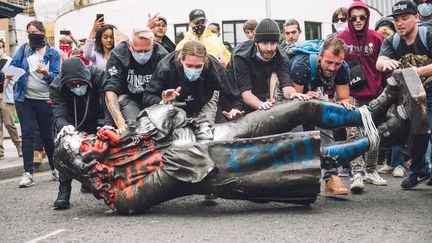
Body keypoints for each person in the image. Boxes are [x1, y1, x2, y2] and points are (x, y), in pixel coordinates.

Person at [376, 0, 432, 189]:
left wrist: (416, 72)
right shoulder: (393, 40)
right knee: (413, 133)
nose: (399, 23)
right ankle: (419, 171)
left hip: (430, 93)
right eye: (397, 19)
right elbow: (380, 61)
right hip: (410, 97)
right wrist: (384, 63)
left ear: (416, 18)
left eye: (405, 18)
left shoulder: (428, 34)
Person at [289, 37, 352, 195]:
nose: (333, 67)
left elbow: (344, 97)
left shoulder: (342, 68)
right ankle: (299, 179)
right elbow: (296, 101)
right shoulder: (301, 65)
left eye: (337, 63)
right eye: (329, 62)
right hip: (291, 93)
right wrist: (306, 97)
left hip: (316, 91)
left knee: (326, 126)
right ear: (321, 55)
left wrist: (342, 104)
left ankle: (331, 178)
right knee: (297, 132)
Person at [336, 0, 387, 193]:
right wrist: (335, 94)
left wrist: (385, 90)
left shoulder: (377, 37)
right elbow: (335, 67)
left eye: (362, 17)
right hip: (351, 94)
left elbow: (385, 67)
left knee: (373, 132)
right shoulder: (342, 38)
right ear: (349, 18)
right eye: (354, 17)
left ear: (367, 18)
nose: (358, 21)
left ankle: (371, 170)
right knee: (353, 133)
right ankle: (357, 173)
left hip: (374, 93)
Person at [50, 57, 108, 209]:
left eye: (80, 83)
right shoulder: (57, 86)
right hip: (71, 122)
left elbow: (110, 102)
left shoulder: (98, 76)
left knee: (102, 150)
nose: (77, 86)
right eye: (72, 84)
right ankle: (64, 192)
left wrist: (108, 124)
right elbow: (59, 114)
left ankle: (95, 184)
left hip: (97, 118)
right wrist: (64, 126)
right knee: (64, 149)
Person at [9, 20, 61, 187]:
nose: (32, 35)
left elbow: (57, 78)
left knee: (47, 136)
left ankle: (55, 169)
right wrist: (17, 74)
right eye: (29, 32)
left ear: (43, 33)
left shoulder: (53, 53)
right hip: (24, 99)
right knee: (28, 134)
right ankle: (28, 173)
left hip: (45, 99)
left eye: (35, 32)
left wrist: (46, 73)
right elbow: (11, 69)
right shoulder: (24, 50)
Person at [142, 40, 243, 120]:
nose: (193, 70)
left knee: (206, 132)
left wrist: (235, 109)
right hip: (173, 105)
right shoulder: (166, 67)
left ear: (205, 61)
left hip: (205, 101)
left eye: (198, 66)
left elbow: (233, 94)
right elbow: (147, 96)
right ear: (181, 59)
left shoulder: (214, 67)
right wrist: (162, 101)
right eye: (189, 65)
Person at [229, 19, 303, 114]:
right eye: (264, 43)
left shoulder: (281, 56)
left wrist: (293, 94)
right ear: (256, 43)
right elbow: (246, 94)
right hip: (233, 90)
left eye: (273, 43)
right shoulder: (241, 56)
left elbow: (286, 86)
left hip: (259, 88)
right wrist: (261, 104)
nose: (269, 48)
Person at [104, 27, 168, 132]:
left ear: (153, 45)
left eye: (147, 51)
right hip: (129, 99)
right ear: (130, 46)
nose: (142, 54)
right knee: (136, 130)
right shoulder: (118, 55)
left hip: (154, 99)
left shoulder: (162, 56)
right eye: (138, 51)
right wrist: (119, 120)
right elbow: (110, 89)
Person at [0, 39, 22, 159]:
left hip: (6, 97)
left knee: (9, 123)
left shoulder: (10, 61)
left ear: (4, 48)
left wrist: (6, 80)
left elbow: (15, 79)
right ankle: (0, 149)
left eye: (0, 47)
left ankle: (18, 144)